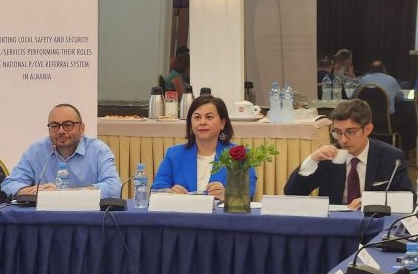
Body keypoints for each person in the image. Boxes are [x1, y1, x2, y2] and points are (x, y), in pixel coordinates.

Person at [284, 99, 412, 209]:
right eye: (337, 132)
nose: (343, 140)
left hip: (374, 222)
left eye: (350, 132)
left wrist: (371, 201)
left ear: (368, 129)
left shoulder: (390, 157)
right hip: (334, 224)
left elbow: (409, 199)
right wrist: (312, 160)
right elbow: (292, 194)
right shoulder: (328, 156)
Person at [1, 103, 121, 198]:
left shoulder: (99, 151)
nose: (61, 131)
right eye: (54, 126)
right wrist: (33, 192)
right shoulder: (36, 151)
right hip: (45, 218)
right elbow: (9, 185)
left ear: (82, 128)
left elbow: (114, 188)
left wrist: (68, 194)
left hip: (87, 217)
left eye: (68, 125)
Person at [151, 95, 256, 200]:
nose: (202, 122)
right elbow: (156, 190)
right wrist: (169, 194)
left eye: (209, 117)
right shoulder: (174, 154)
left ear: (222, 123)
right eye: (197, 117)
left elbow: (248, 191)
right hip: (184, 211)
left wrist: (227, 195)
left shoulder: (238, 155)